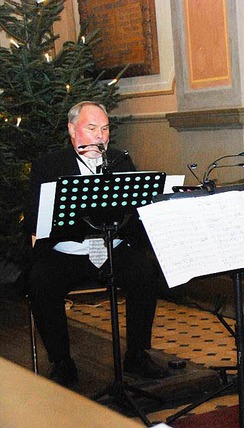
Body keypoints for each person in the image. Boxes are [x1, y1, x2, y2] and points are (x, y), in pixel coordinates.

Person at [23, 101, 166, 385]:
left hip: (111, 246)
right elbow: (36, 218)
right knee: (40, 280)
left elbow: (135, 213)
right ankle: (61, 361)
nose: (100, 136)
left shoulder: (119, 160)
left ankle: (136, 354)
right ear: (72, 131)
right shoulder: (48, 165)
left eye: (104, 129)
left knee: (145, 270)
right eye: (91, 129)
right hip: (69, 251)